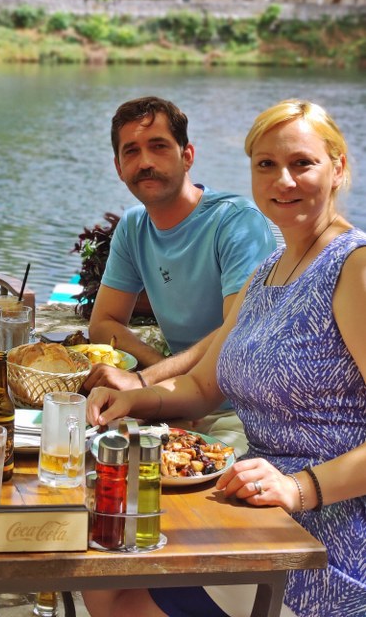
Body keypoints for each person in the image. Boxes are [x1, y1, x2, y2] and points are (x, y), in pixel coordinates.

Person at [85, 98, 366, 617]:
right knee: (101, 569)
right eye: (266, 164)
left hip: (325, 538)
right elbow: (201, 386)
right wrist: (132, 399)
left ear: (338, 168)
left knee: (120, 591)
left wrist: (299, 487)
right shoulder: (266, 273)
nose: (283, 180)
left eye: (302, 163)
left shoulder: (354, 267)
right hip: (254, 509)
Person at [83, 96, 274, 450]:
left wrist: (145, 379)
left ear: (187, 156)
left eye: (158, 146)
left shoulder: (235, 222)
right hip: (175, 399)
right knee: (82, 447)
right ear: (118, 167)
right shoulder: (133, 227)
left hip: (242, 410)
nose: (145, 162)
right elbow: (104, 323)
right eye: (131, 151)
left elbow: (235, 331)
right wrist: (164, 375)